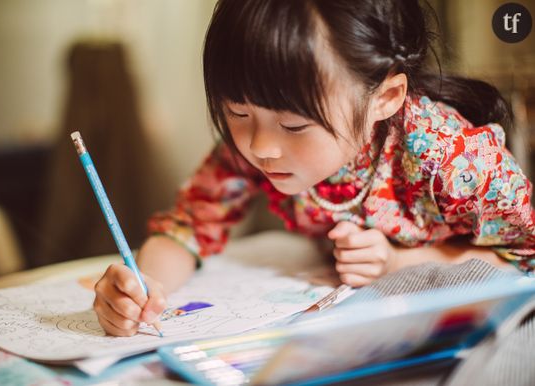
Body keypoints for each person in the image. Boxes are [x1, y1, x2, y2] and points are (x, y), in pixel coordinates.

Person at [93, 0, 535, 336]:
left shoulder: (452, 158)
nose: (261, 147)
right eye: (237, 113)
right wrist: (141, 286)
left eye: (293, 124)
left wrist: (402, 260)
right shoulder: (246, 149)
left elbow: (527, 257)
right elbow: (187, 226)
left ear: (385, 99)